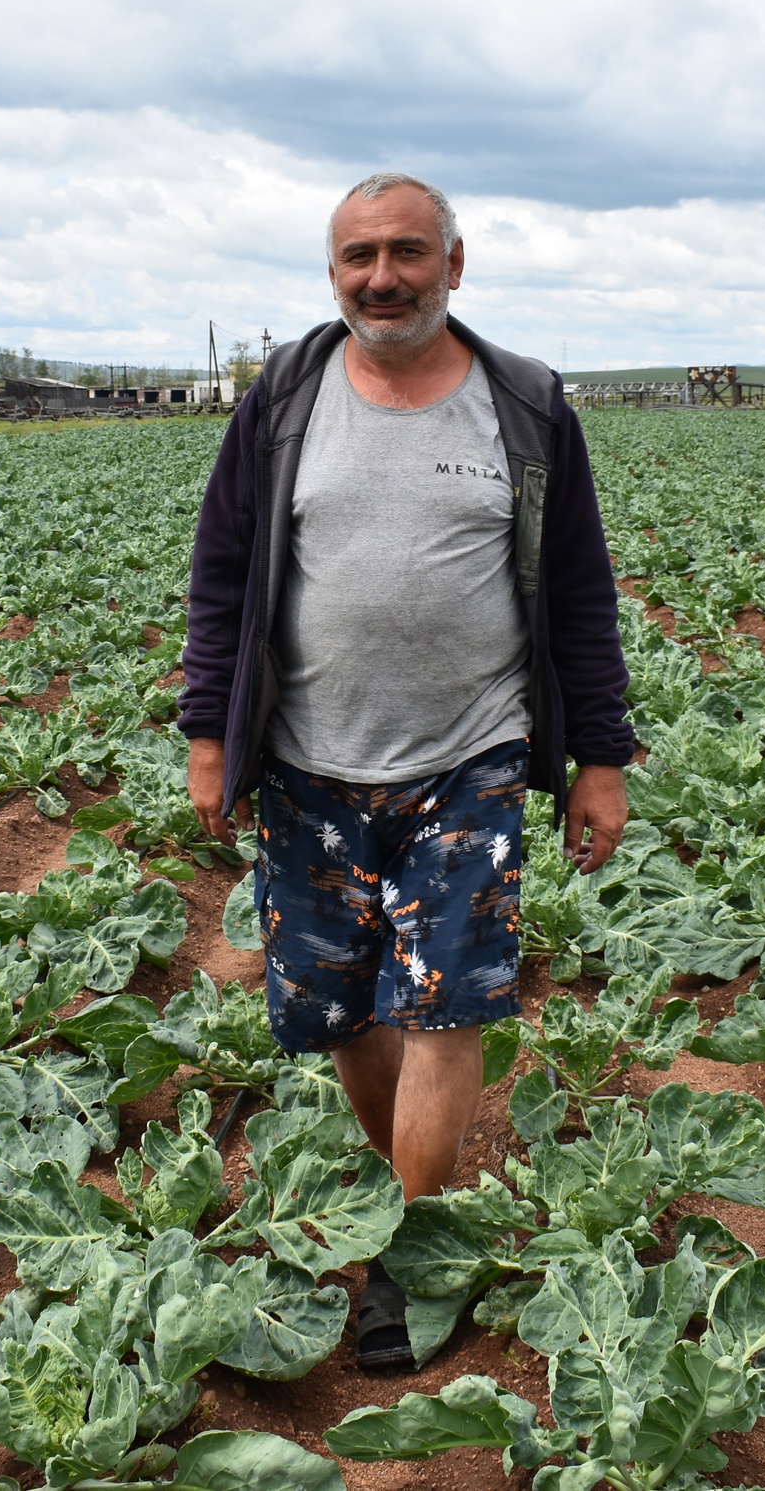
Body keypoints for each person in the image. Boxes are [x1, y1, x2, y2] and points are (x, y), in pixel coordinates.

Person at [177, 170, 633, 1371]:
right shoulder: (281, 400)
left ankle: (406, 1252)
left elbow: (579, 595)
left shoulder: (526, 408)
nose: (383, 276)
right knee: (338, 1007)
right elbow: (222, 577)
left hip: (469, 759)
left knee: (444, 1003)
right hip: (305, 760)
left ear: (454, 263)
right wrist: (209, 740)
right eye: (357, 257)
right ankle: (401, 1191)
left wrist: (601, 758)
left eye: (407, 253)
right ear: (333, 273)